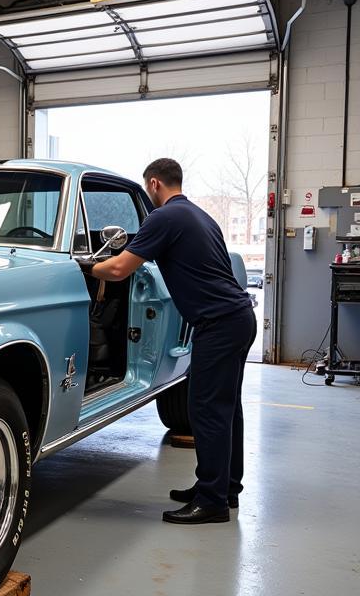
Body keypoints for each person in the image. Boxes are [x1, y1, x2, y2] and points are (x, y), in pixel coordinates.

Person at [81, 158, 256, 525]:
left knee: (206, 410)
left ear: (155, 184)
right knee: (226, 409)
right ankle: (224, 488)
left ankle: (212, 502)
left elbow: (118, 269)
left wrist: (83, 266)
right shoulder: (200, 216)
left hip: (219, 325)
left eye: (148, 189)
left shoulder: (163, 218)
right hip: (238, 318)